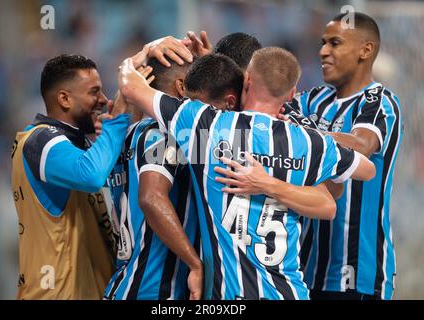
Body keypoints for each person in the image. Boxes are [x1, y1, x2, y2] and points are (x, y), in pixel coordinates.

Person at [117, 48, 375, 299]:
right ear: (292, 93)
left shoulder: (206, 126)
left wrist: (144, 54)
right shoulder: (305, 142)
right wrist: (275, 179)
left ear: (247, 80)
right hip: (290, 290)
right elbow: (364, 172)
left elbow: (129, 85)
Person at [288, 12, 403, 300]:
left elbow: (360, 145)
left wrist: (303, 130)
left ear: (366, 50)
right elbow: (266, 105)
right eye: (323, 43)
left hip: (357, 272)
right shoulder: (314, 99)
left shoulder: (379, 102)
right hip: (306, 267)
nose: (323, 51)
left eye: (335, 43)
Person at [11, 54, 131, 299]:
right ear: (64, 99)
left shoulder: (80, 144)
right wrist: (117, 121)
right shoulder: (40, 140)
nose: (103, 100)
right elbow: (91, 175)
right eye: (94, 92)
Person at [103, 54, 203, 300]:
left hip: (123, 285)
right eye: (198, 83)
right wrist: (195, 264)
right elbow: (150, 198)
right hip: (153, 289)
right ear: (181, 87)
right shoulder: (164, 134)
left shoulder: (124, 135)